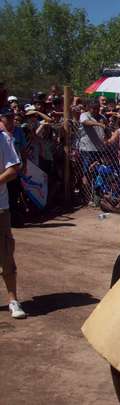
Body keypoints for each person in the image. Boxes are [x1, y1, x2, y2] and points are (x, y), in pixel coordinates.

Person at [0, 125, 24, 319]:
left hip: (0, 207)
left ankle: (13, 300)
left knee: (5, 254)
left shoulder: (2, 139)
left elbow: (13, 169)